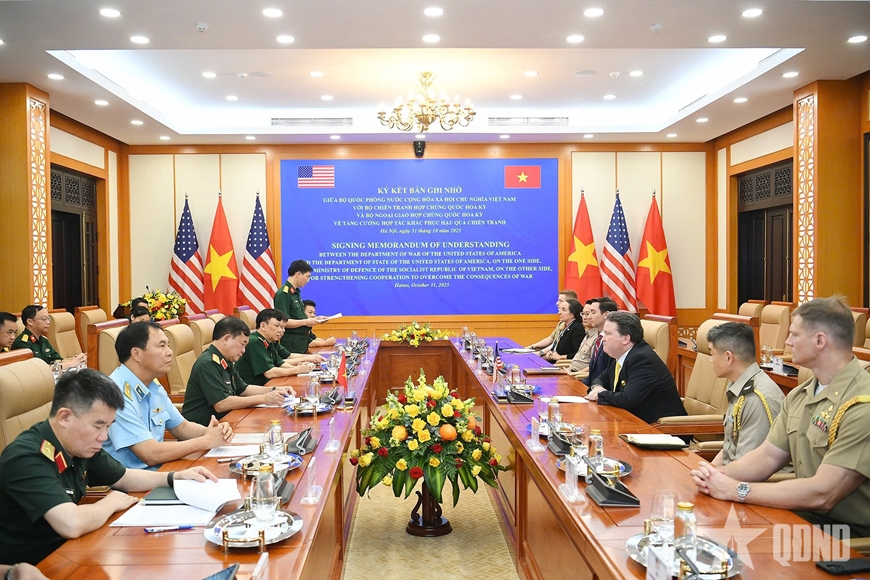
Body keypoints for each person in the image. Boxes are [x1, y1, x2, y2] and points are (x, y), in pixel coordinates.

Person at [691, 296, 870, 537]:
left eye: (794, 335)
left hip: (848, 535)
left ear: (820, 340)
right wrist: (713, 477)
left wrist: (736, 490)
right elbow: (767, 456)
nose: (787, 342)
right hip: (803, 518)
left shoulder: (861, 404)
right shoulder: (800, 395)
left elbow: (823, 494)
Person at [0, 369, 217, 566]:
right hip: (34, 566)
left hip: (71, 552)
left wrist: (175, 477)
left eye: (108, 427)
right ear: (65, 417)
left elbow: (123, 477)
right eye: (98, 426)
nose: (104, 437)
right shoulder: (27, 457)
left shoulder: (79, 445)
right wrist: (111, 502)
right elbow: (71, 523)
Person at [103, 322, 234, 469]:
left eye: (168, 345)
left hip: (160, 471)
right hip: (134, 480)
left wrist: (215, 432)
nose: (170, 352)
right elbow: (149, 454)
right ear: (136, 354)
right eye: (161, 346)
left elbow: (182, 427)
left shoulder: (153, 385)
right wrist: (206, 440)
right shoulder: (115, 394)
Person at [182, 316, 292, 426]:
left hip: (226, 422)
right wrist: (263, 399)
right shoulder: (208, 363)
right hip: (205, 429)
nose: (243, 350)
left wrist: (274, 389)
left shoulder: (225, 359)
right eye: (242, 344)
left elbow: (243, 389)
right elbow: (221, 404)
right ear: (226, 339)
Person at [706, 322, 785, 467]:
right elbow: (730, 448)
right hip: (732, 472)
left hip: (752, 478)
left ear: (728, 358)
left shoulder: (755, 399)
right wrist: (710, 470)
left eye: (711, 354)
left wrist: (713, 475)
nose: (710, 360)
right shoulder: (740, 384)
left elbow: (749, 466)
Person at [585, 311, 687, 423]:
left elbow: (627, 399)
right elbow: (600, 379)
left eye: (608, 334)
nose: (603, 338)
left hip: (662, 428)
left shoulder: (642, 360)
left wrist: (600, 394)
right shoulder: (619, 354)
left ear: (626, 338)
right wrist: (597, 387)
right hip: (632, 421)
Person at [236, 309, 315, 385]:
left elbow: (280, 363)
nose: (282, 331)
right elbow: (269, 372)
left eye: (283, 327)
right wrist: (296, 370)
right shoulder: (254, 341)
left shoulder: (270, 341)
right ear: (263, 326)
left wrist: (300, 368)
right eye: (277, 326)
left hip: (267, 384)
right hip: (254, 388)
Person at [274, 260, 327, 354]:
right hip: (292, 343)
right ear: (298, 274)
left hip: (302, 342)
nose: (308, 281)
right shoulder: (283, 293)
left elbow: (299, 316)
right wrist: (306, 322)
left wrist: (316, 319)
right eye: (307, 276)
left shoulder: (295, 293)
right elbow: (283, 322)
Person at [11, 305, 86, 368]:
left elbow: (57, 359)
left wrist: (75, 360)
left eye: (48, 319)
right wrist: (71, 363)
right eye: (44, 319)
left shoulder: (43, 339)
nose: (48, 322)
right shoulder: (22, 343)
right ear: (30, 321)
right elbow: (35, 370)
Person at [581, 297, 618, 386]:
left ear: (606, 315)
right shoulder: (599, 338)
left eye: (593, 313)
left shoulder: (613, 341)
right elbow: (593, 373)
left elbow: (608, 374)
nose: (589, 317)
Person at [526, 290, 577, 355]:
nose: (557, 303)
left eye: (560, 301)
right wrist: (530, 347)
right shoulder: (562, 323)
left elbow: (557, 344)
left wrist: (540, 353)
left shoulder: (575, 326)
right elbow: (550, 339)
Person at [567, 300, 599, 377]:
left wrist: (572, 375)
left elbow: (594, 366)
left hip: (578, 376)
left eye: (587, 314)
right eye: (583, 314)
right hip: (570, 370)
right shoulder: (587, 333)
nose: (584, 317)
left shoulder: (598, 338)